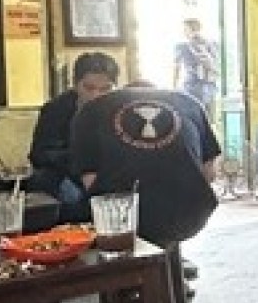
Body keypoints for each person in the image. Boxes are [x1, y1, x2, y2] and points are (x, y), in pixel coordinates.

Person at [69, 82, 221, 250]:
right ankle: (168, 255)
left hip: (122, 218)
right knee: (164, 222)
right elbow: (210, 171)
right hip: (189, 212)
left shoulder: (91, 110)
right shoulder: (189, 102)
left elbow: (90, 179)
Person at [27, 51, 118, 219]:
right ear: (76, 85)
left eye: (105, 89)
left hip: (108, 176)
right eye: (89, 88)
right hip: (66, 175)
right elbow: (39, 154)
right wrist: (81, 168)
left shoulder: (122, 110)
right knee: (72, 198)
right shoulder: (56, 109)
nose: (96, 96)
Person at [172, 17, 219, 118]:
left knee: (194, 118)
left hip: (192, 86)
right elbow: (216, 66)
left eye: (185, 29)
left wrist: (174, 87)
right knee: (209, 120)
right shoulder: (213, 44)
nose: (183, 32)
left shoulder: (182, 46)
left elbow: (176, 68)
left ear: (190, 29)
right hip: (211, 86)